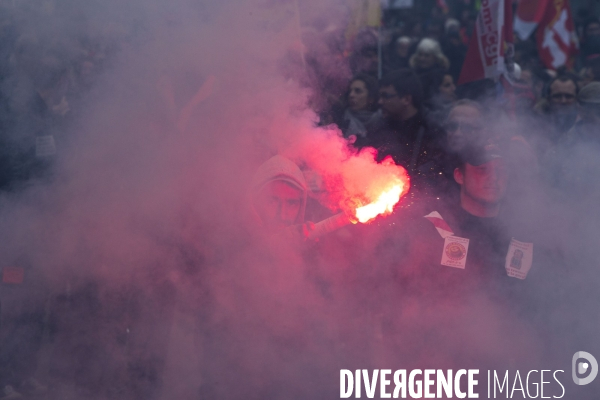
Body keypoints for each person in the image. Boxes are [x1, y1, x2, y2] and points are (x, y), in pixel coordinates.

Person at [355, 69, 444, 194]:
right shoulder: (379, 128)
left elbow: (437, 173)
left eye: (386, 96)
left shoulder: (432, 130)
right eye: (380, 96)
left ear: (406, 99)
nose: (380, 102)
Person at [334, 74, 381, 138]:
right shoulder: (340, 121)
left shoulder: (382, 122)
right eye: (350, 91)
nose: (351, 95)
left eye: (358, 91)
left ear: (371, 98)